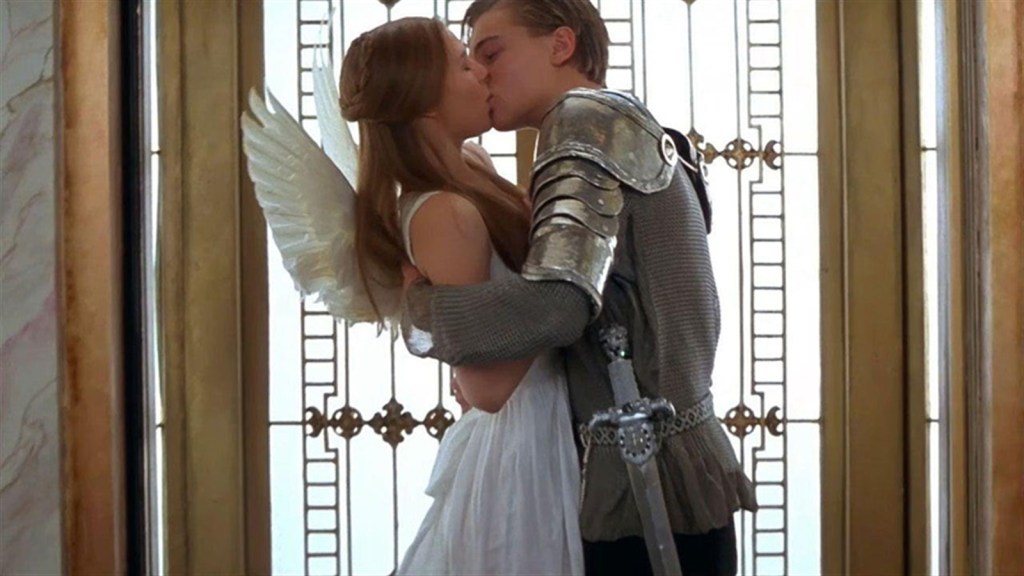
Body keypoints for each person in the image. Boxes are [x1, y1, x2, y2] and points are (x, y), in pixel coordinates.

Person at [399, 1, 758, 575]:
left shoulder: (585, 125)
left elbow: (558, 307)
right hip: (665, 471)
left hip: (645, 483)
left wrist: (421, 310)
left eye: (492, 52)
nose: (481, 72)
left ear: (561, 45)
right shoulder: (616, 124)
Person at [338, 16, 584, 575]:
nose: (481, 70)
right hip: (522, 444)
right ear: (425, 101)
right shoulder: (442, 213)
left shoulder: (474, 167)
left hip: (551, 418)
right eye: (462, 62)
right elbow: (485, 388)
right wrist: (565, 301)